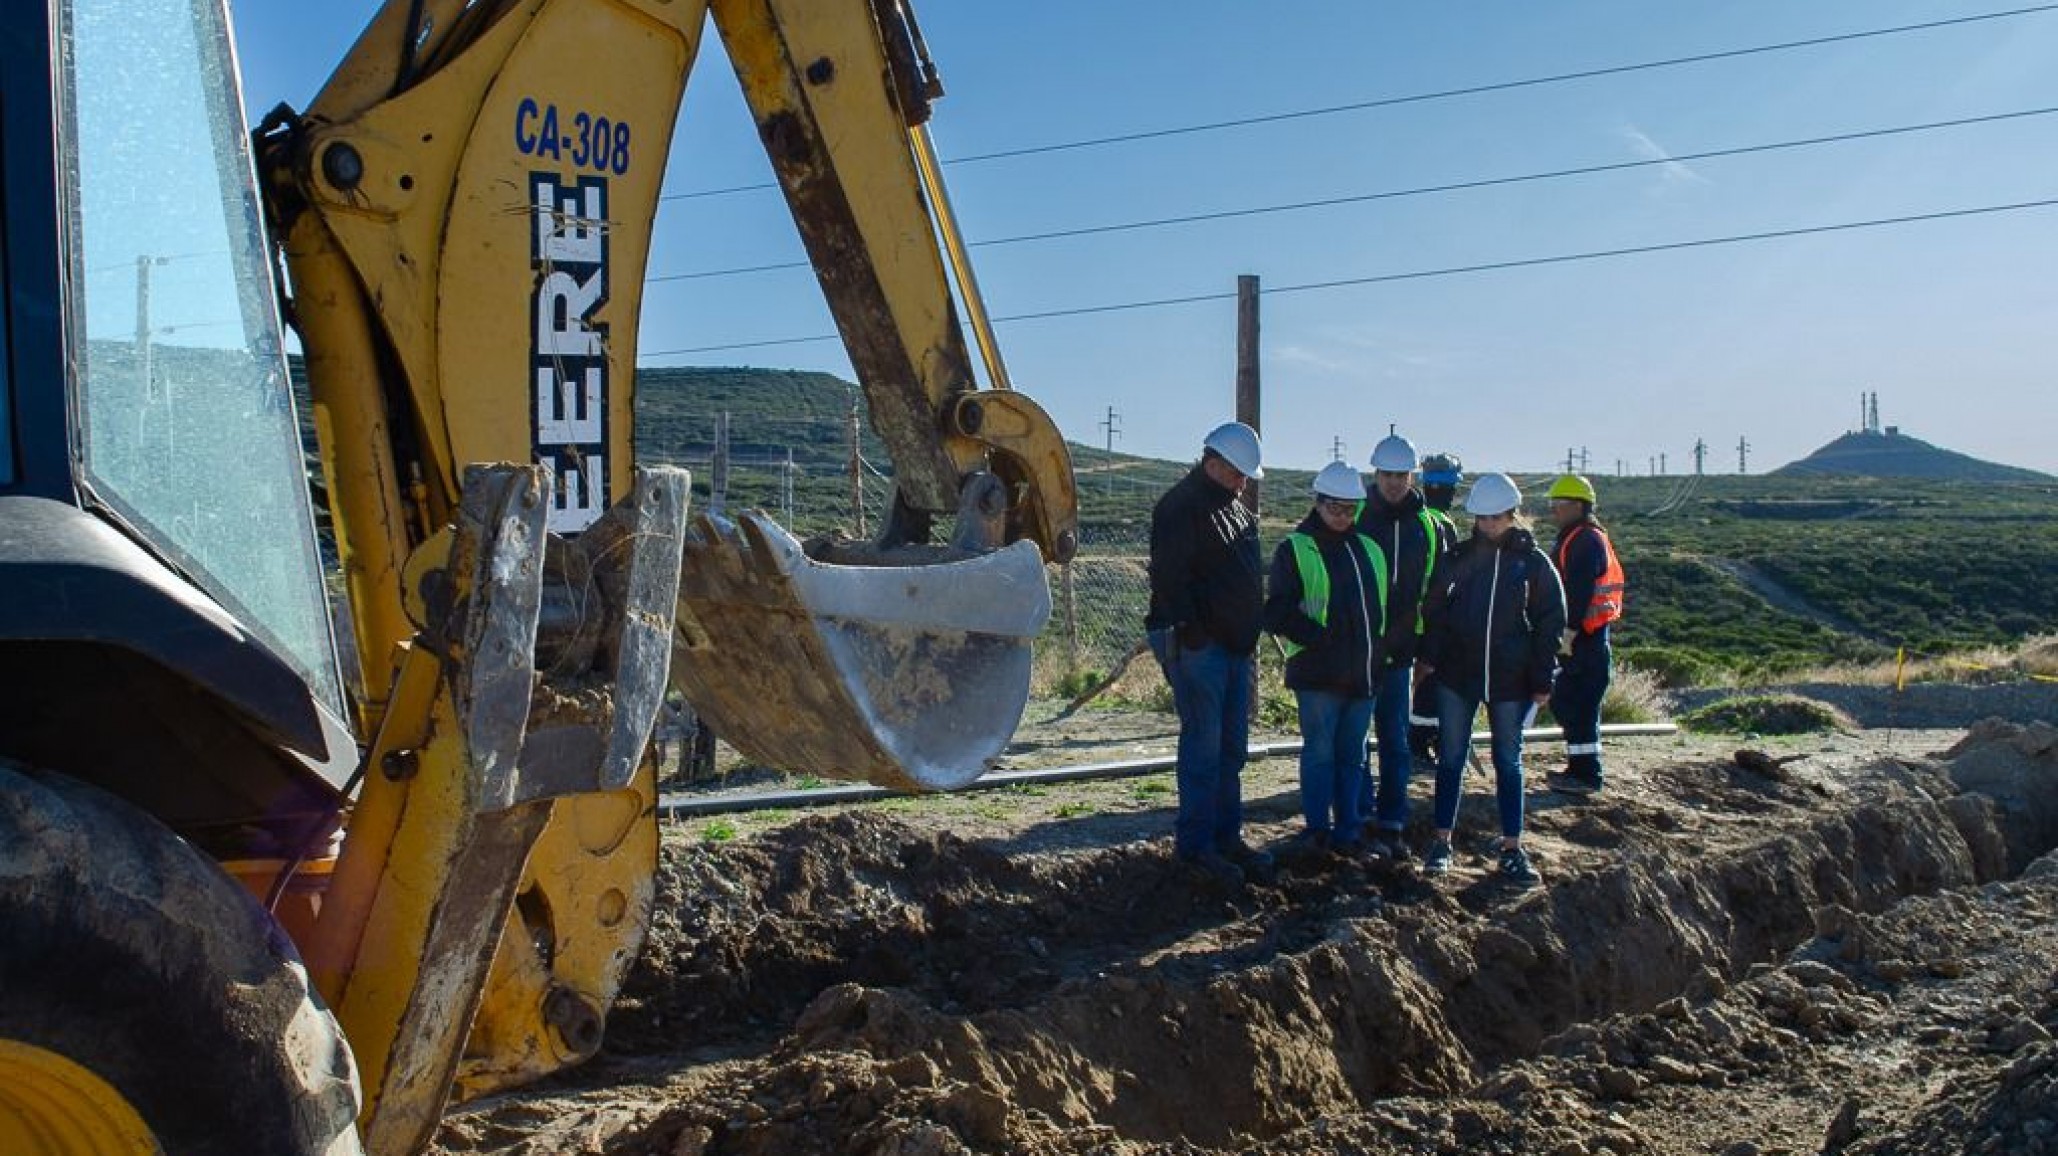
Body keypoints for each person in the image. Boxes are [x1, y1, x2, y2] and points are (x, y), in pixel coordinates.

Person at [1416, 472, 1566, 888]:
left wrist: (1540, 678)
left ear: (1512, 516)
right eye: (1482, 518)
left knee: (1508, 761)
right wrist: (1428, 659)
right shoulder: (1459, 558)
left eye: (1496, 518)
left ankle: (1512, 848)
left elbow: (1550, 621)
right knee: (1450, 757)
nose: (1488, 525)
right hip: (1457, 677)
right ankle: (1441, 843)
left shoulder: (1533, 564)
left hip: (1509, 681)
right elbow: (1436, 612)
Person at [1146, 421, 1272, 886]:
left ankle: (1225, 836)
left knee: (1229, 748)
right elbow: (1169, 576)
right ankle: (1197, 846)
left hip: (1231, 647)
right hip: (1203, 646)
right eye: (1238, 474)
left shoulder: (1233, 509)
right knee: (1204, 745)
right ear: (1213, 464)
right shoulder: (1182, 506)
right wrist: (1192, 631)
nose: (1243, 483)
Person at [1263, 461, 1390, 860]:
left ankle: (1348, 830)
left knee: (1352, 757)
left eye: (1349, 508)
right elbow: (1277, 612)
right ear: (1317, 503)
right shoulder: (1295, 549)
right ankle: (1318, 830)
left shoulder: (1369, 550)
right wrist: (1320, 640)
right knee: (1320, 753)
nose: (1342, 515)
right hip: (1318, 677)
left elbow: (1380, 613)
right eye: (1335, 507)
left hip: (1363, 675)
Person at [1355, 432, 1448, 863]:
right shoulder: (1353, 515)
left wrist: (1428, 652)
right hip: (1356, 654)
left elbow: (1434, 595)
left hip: (1399, 656)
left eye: (1401, 475)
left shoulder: (1428, 527)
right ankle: (1356, 819)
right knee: (1353, 740)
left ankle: (1391, 822)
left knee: (1394, 739)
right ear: (1376, 473)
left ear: (1413, 476)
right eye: (1386, 474)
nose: (1393, 482)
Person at [1544, 474, 1625, 796]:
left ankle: (1586, 774)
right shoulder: (1584, 537)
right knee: (1570, 701)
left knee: (1578, 703)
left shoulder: (1584, 540)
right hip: (1589, 638)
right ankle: (1579, 768)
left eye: (1559, 505)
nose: (1554, 512)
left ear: (1577, 506)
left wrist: (1568, 632)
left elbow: (1578, 591)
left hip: (1585, 640)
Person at [1408, 452, 1464, 766]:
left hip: (1406, 620)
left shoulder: (1413, 519)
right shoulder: (1442, 525)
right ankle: (1422, 742)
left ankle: (1421, 738)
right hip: (1430, 622)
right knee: (1431, 680)